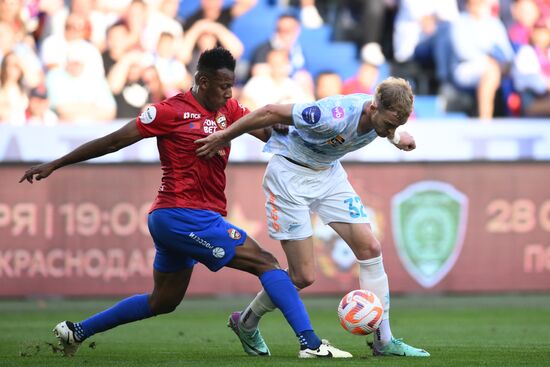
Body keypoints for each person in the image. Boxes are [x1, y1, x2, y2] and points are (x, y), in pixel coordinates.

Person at [19, 47, 351, 359]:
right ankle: (311, 344)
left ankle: (76, 331)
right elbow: (114, 141)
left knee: (162, 301)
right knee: (266, 263)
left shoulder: (230, 110)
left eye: (231, 86)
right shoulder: (167, 111)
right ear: (202, 81)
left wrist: (285, 125)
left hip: (178, 220)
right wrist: (55, 163)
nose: (229, 93)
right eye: (223, 86)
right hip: (183, 214)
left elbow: (269, 133)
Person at [195, 76, 430, 357]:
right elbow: (270, 111)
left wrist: (396, 138)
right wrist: (223, 136)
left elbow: (387, 127)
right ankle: (245, 321)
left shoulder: (382, 119)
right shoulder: (330, 115)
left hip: (328, 175)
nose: (391, 128)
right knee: (303, 275)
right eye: (390, 124)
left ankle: (384, 341)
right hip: (289, 177)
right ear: (373, 107)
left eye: (397, 124)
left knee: (370, 247)